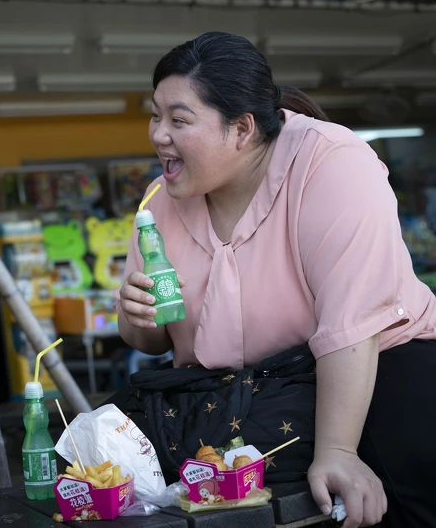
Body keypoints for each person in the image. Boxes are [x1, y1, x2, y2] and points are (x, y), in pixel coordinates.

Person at [115, 32, 436, 528]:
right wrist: (137, 317)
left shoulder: (331, 162)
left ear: (242, 129)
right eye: (156, 116)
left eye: (179, 120)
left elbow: (351, 323)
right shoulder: (160, 201)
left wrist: (338, 450)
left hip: (367, 371)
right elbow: (152, 341)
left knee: (402, 471)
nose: (159, 134)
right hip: (237, 398)